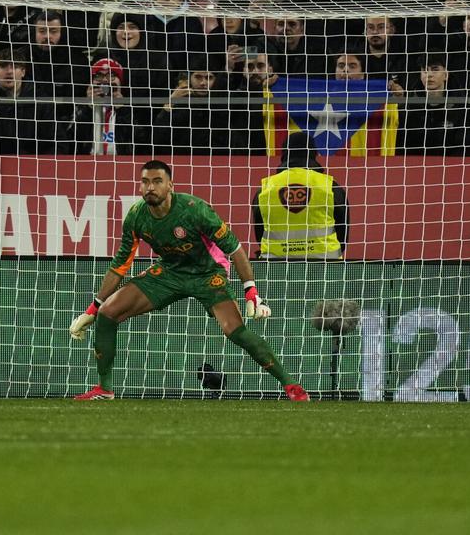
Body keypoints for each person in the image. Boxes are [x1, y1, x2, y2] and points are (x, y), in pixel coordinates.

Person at [68, 160, 310, 402]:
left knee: (235, 331)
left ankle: (291, 385)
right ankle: (104, 389)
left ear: (170, 186)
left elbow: (235, 249)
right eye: (145, 182)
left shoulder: (195, 210)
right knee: (108, 313)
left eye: (157, 181)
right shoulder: (136, 217)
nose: (150, 187)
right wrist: (94, 308)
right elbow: (120, 264)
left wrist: (251, 292)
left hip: (209, 273)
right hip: (170, 272)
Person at [252, 131, 347, 260]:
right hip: (326, 266)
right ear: (314, 154)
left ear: (285, 154)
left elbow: (259, 232)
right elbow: (343, 232)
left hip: (275, 267)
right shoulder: (331, 186)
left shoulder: (265, 189)